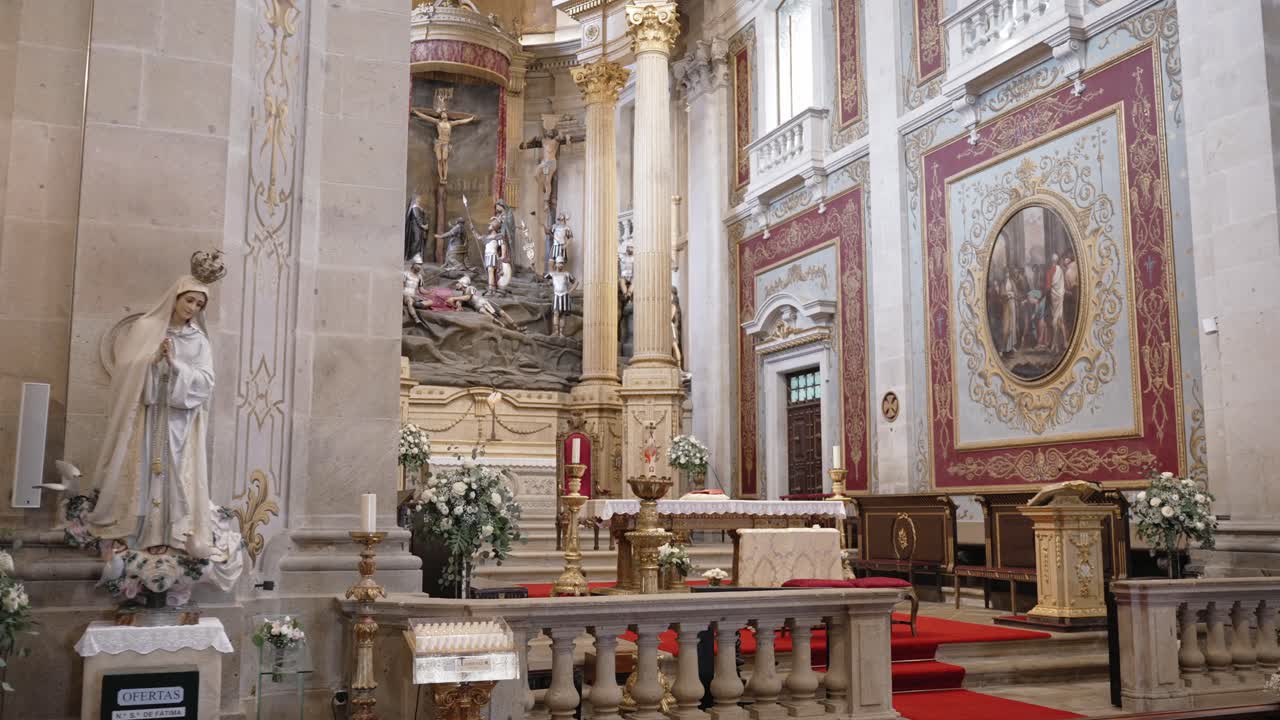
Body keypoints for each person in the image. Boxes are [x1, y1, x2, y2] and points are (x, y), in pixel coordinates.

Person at [86, 252, 224, 560]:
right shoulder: (147, 328)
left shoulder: (199, 341)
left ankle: (169, 535)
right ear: (176, 297)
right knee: (143, 471)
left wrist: (177, 367)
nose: (193, 308)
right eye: (189, 300)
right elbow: (127, 373)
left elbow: (206, 382)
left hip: (179, 422)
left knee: (174, 476)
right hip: (147, 418)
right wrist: (153, 361)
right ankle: (137, 533)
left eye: (199, 305)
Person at [448, 275, 523, 332]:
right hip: (478, 306)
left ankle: (516, 327)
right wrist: (459, 306)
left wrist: (454, 298)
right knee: (485, 313)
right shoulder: (462, 295)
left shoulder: (470, 288)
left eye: (459, 283)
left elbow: (468, 297)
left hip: (485, 302)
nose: (457, 284)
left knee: (503, 313)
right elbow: (460, 301)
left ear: (463, 283)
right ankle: (501, 325)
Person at [544, 261, 576, 337]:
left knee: (562, 315)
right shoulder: (552, 274)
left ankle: (561, 332)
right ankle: (556, 331)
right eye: (559, 263)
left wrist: (570, 291)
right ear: (556, 264)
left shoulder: (567, 274)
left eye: (562, 263)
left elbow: (576, 282)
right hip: (556, 295)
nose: (561, 264)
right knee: (556, 313)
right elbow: (543, 278)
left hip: (564, 295)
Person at [404, 194, 429, 262]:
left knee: (419, 241)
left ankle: (417, 255)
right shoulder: (414, 207)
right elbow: (417, 217)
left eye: (420, 198)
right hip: (415, 227)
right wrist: (422, 225)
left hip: (419, 227)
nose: (419, 200)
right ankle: (413, 256)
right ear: (415, 199)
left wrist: (425, 224)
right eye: (418, 198)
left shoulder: (419, 207)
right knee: (416, 240)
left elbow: (423, 216)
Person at [403, 258, 427, 327]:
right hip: (406, 295)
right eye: (418, 264)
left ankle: (417, 304)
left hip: (414, 296)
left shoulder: (419, 276)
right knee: (410, 302)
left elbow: (421, 290)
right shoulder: (406, 274)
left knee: (430, 301)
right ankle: (416, 318)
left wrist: (429, 292)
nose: (420, 267)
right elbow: (401, 287)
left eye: (421, 265)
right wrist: (405, 295)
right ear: (413, 264)